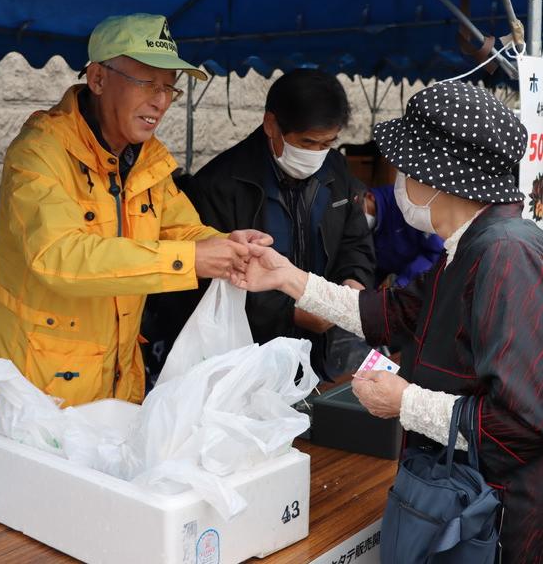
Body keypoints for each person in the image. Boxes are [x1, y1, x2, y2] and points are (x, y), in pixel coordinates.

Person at [234, 81, 543, 562]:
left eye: (405, 165)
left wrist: (406, 402)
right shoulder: (469, 246)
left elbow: (521, 423)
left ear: (440, 176)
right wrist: (291, 278)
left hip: (494, 520)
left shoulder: (506, 253)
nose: (397, 177)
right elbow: (394, 313)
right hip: (460, 500)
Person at [0, 13, 271, 428]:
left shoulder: (147, 158)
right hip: (34, 392)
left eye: (169, 88)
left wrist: (227, 244)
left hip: (118, 381)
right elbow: (59, 256)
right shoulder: (38, 153)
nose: (160, 101)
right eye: (147, 83)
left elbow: (181, 229)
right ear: (98, 79)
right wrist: (189, 258)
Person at [179, 69, 375, 378]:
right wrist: (293, 313)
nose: (317, 154)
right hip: (248, 356)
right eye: (308, 142)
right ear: (271, 125)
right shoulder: (220, 184)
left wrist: (353, 285)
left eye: (328, 143)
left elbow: (355, 242)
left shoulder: (336, 170)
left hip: (320, 354)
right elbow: (209, 282)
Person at [363, 184, 444, 287]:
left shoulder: (407, 202)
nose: (358, 218)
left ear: (370, 197)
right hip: (399, 282)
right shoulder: (368, 229)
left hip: (426, 280)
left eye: (360, 211)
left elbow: (435, 253)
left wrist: (403, 282)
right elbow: (374, 268)